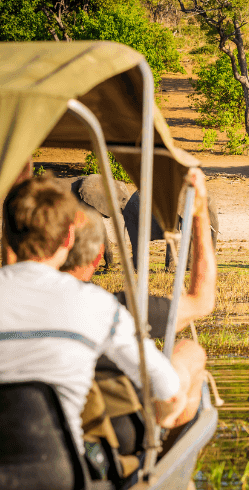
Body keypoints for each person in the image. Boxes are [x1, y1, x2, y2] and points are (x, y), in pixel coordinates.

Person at [0, 176, 206, 456]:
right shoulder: (94, 304)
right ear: (68, 237)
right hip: (62, 471)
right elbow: (166, 387)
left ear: (7, 235)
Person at [61, 168, 216, 461]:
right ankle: (160, 463)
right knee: (190, 352)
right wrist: (199, 213)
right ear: (97, 257)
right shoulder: (108, 310)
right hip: (103, 449)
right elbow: (201, 301)